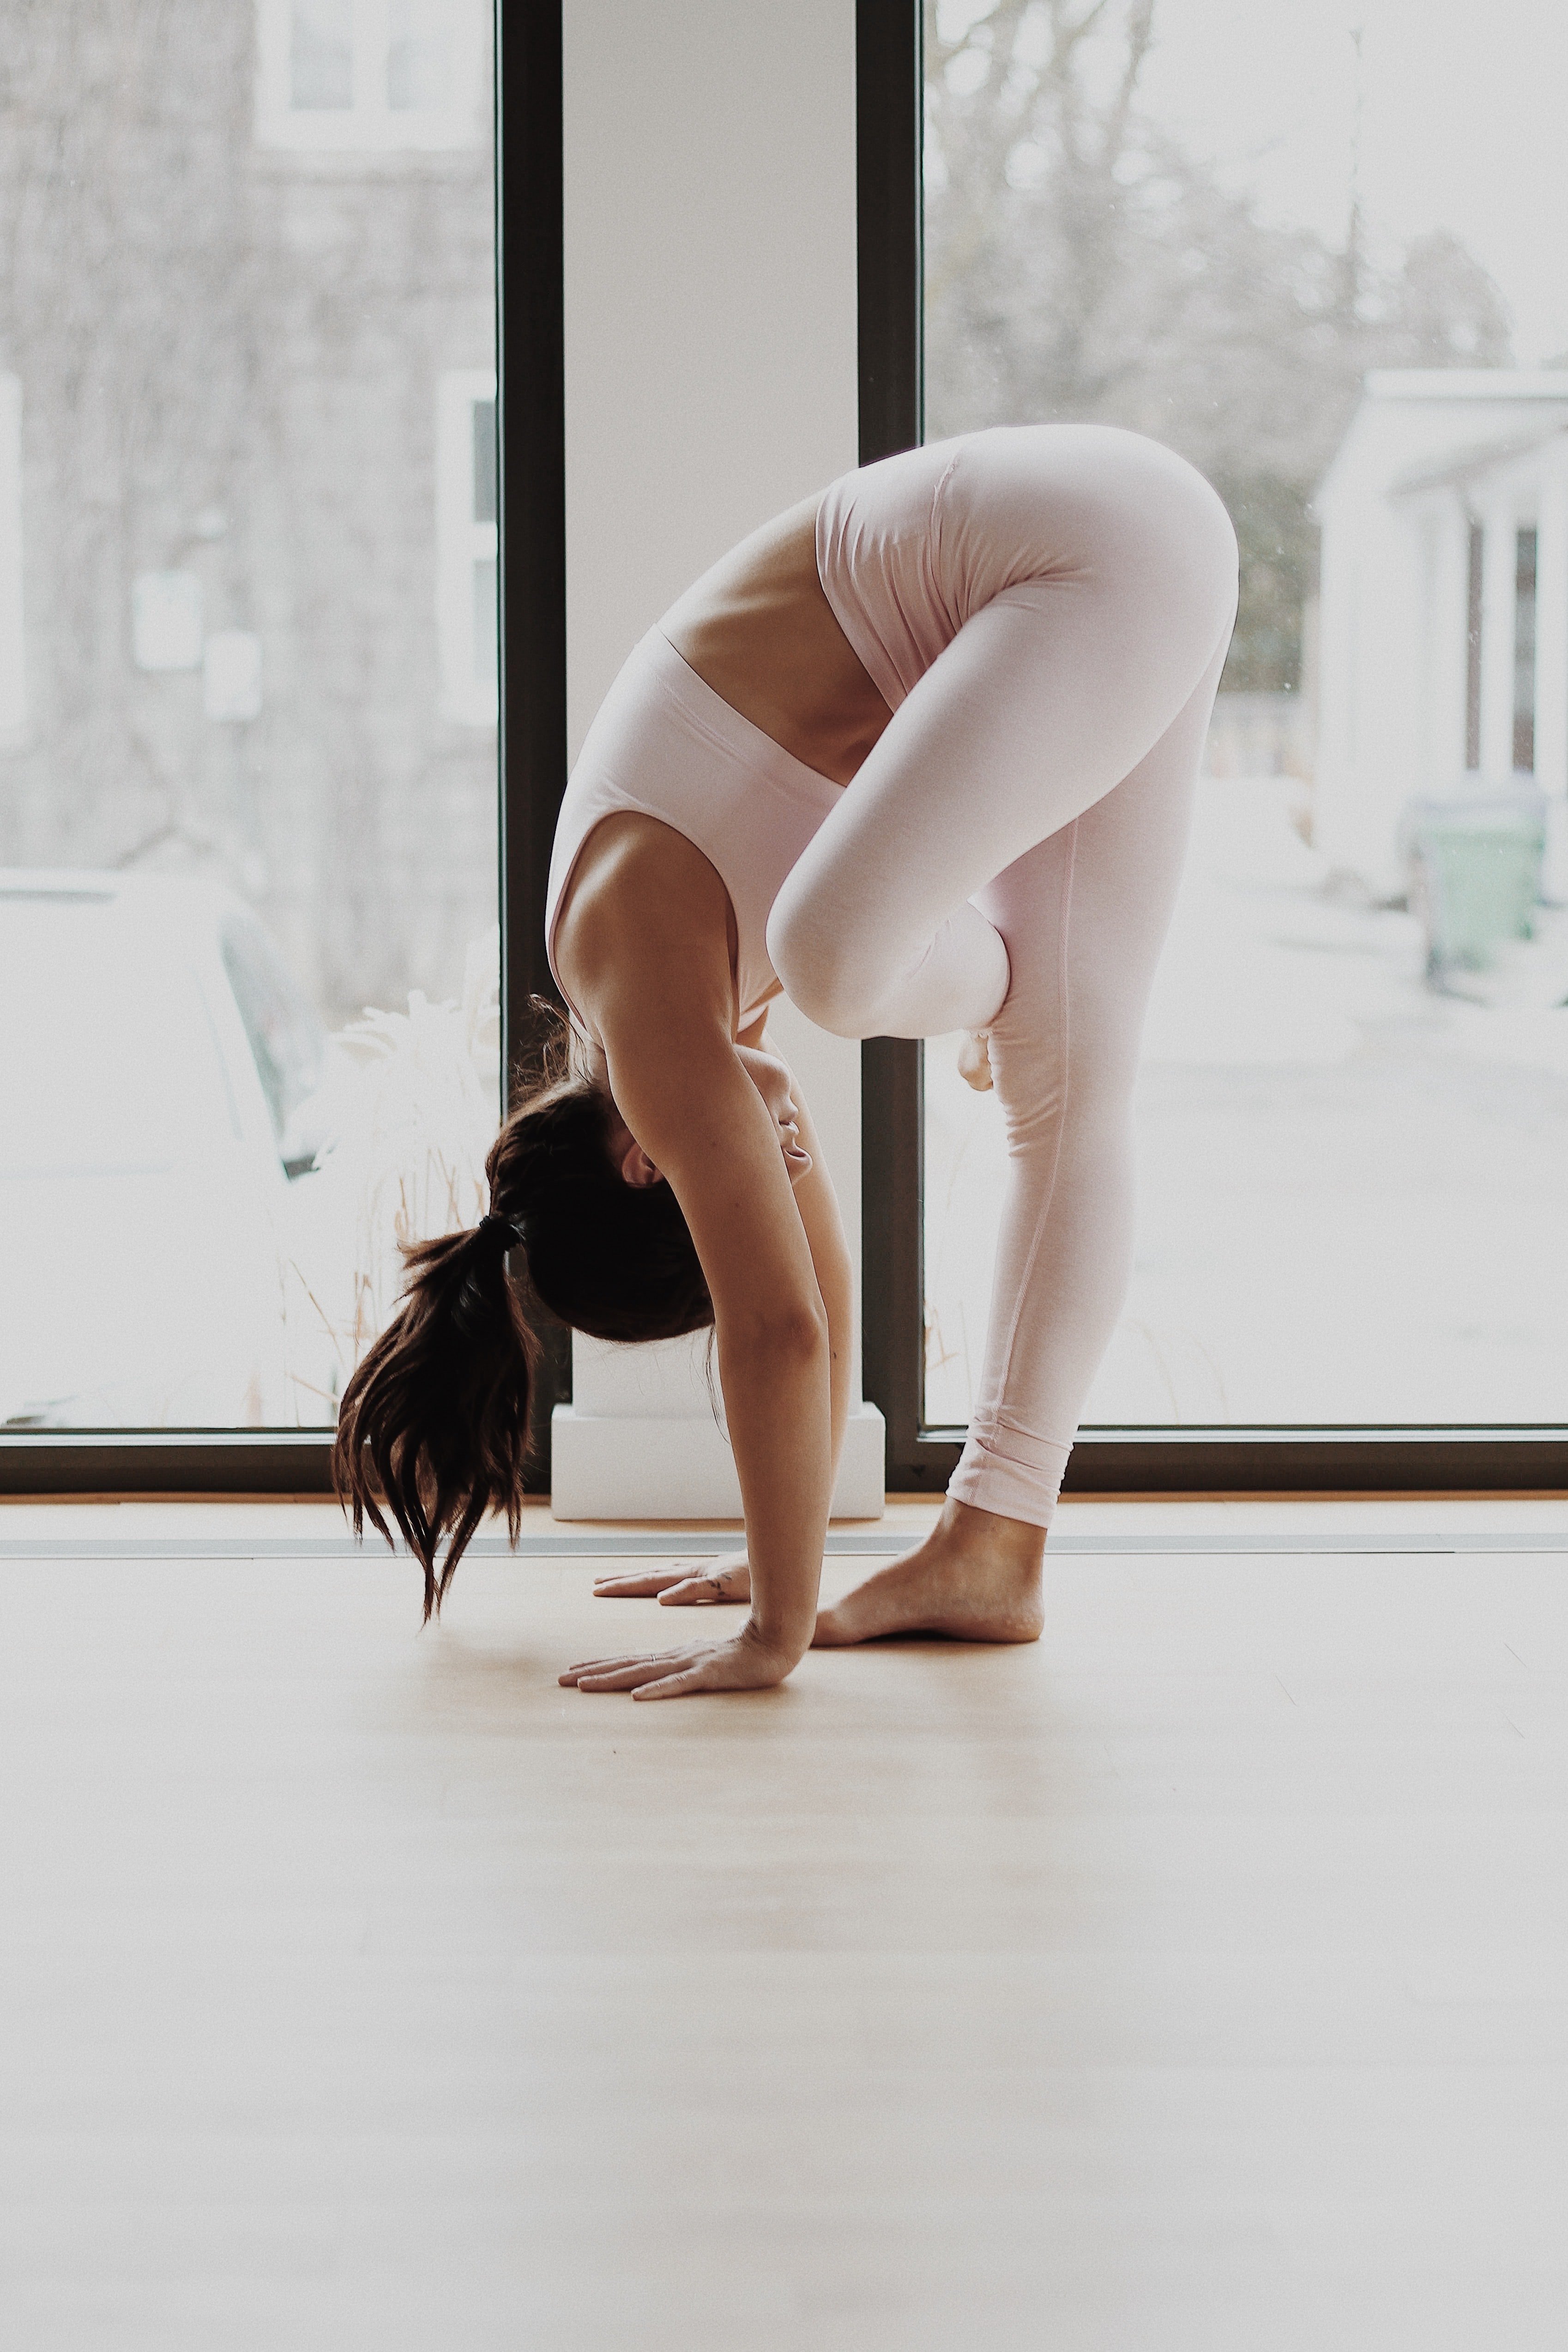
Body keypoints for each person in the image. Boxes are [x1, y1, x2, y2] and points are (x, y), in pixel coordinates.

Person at [333, 423, 1238, 1700]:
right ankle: (993, 1545)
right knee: (1066, 1090)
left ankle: (987, 988)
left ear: (647, 1167)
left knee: (838, 958)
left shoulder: (642, 1002)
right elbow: (821, 1293)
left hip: (1074, 551)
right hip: (1126, 557)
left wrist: (772, 1638)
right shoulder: (689, 1019)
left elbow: (782, 1329)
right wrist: (784, 1569)